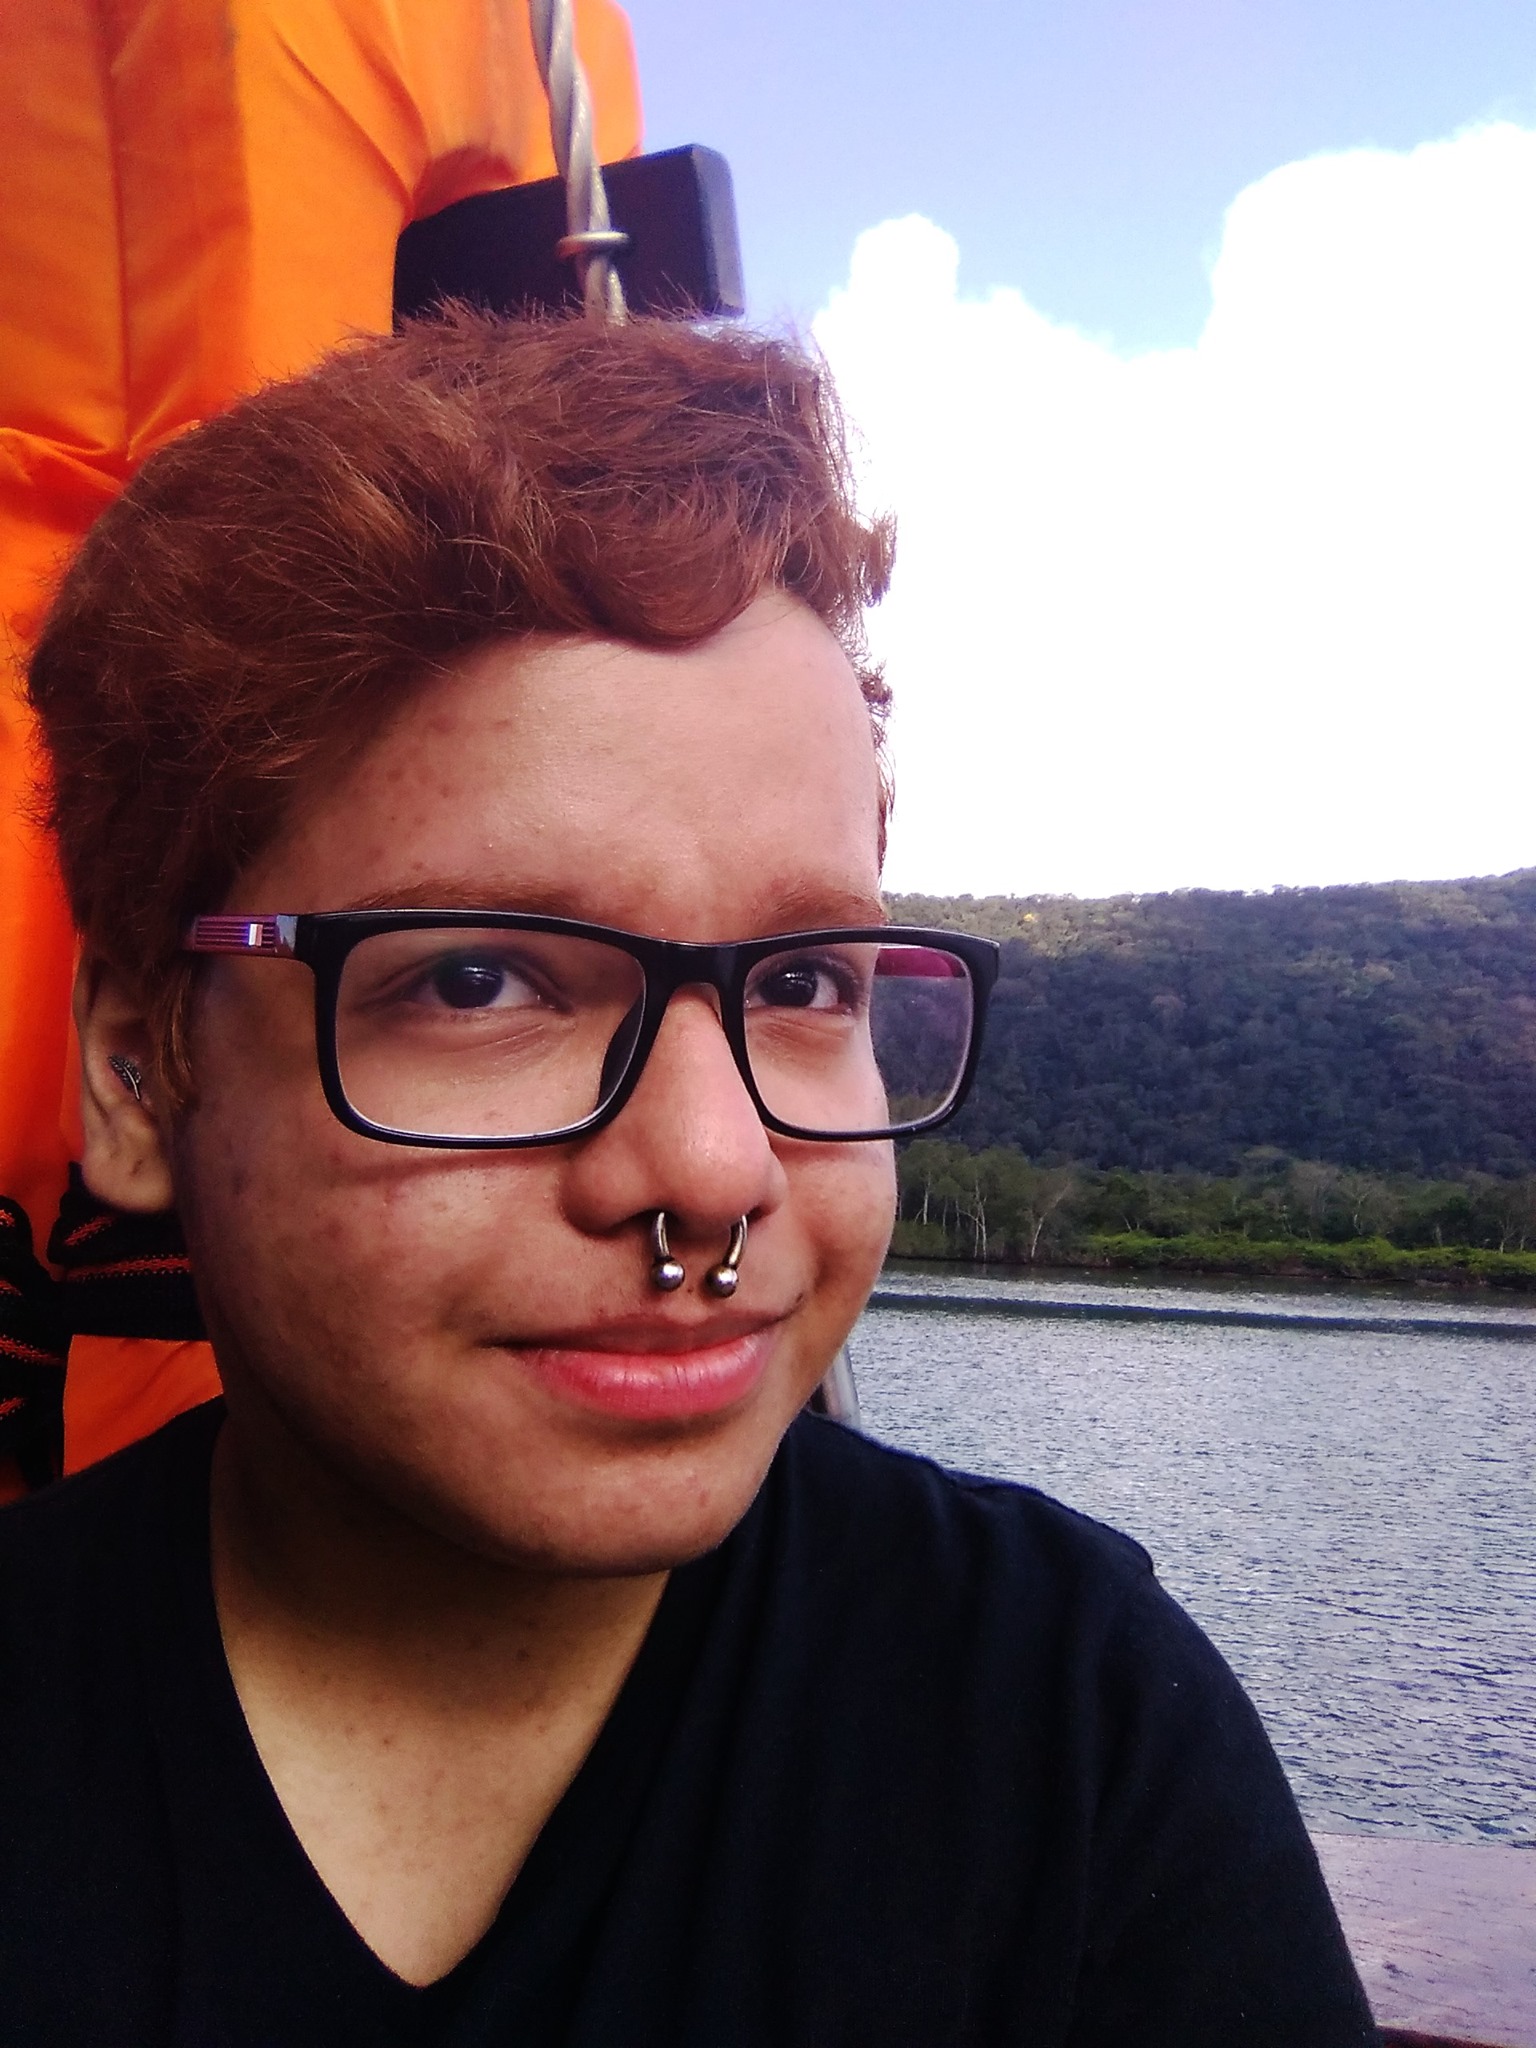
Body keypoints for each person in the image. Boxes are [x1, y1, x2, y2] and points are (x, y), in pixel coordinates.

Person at [1, 310, 1377, 2045]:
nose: (718, 1171)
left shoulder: (1061, 1719)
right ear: (140, 1069)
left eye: (803, 983)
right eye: (481, 980)